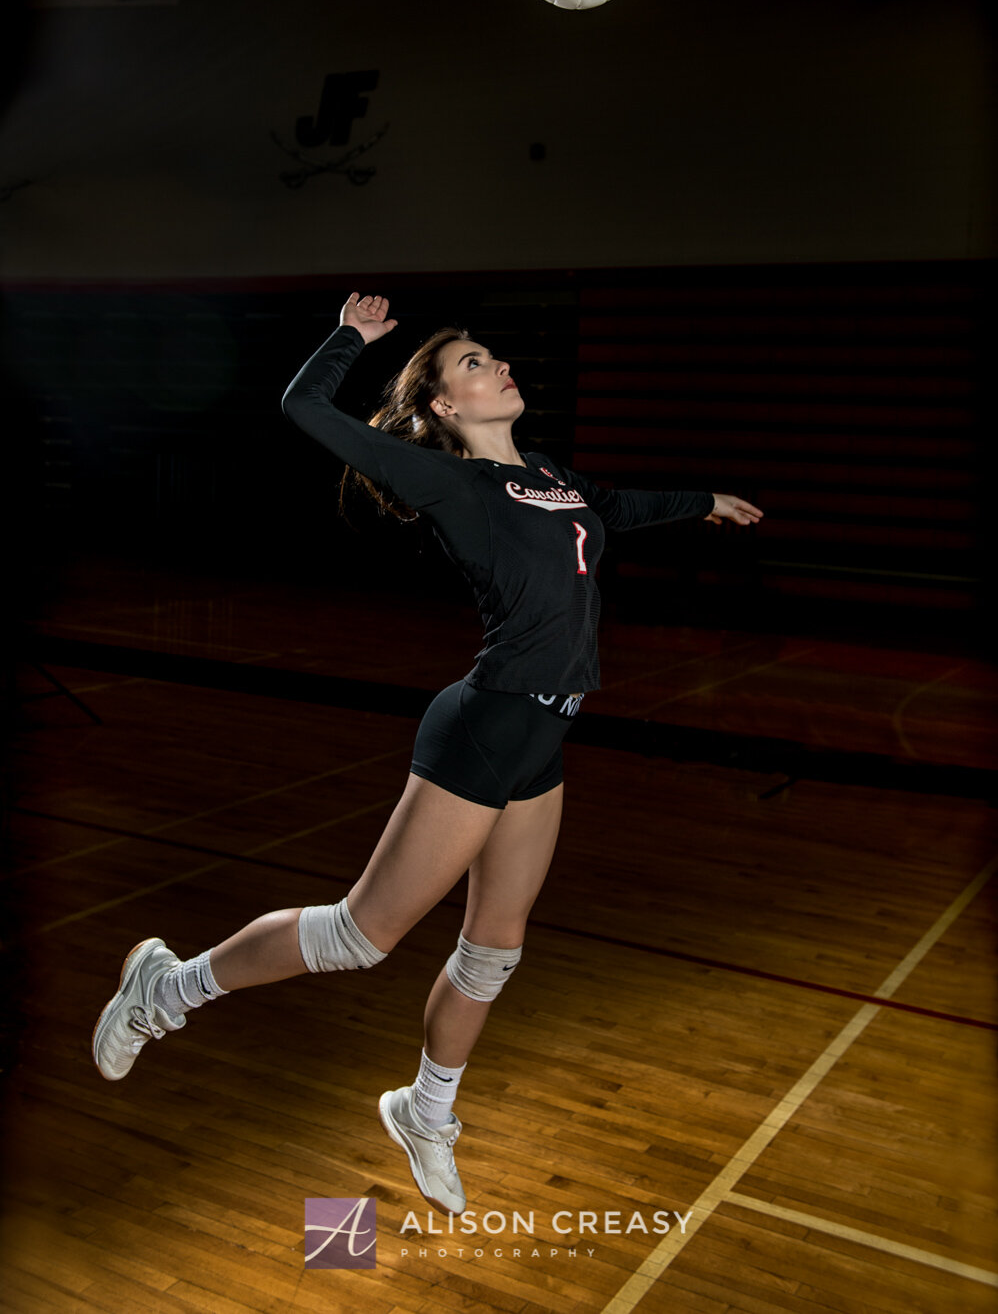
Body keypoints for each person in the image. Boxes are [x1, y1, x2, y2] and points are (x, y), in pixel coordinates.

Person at [91, 291, 763, 1214]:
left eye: (495, 356)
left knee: (495, 951)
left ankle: (424, 1111)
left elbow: (612, 506)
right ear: (445, 407)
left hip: (546, 732)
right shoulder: (448, 481)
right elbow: (303, 408)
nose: (499, 367)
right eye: (475, 364)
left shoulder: (549, 475)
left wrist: (704, 503)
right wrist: (349, 339)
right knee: (357, 937)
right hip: (486, 725)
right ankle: (167, 988)